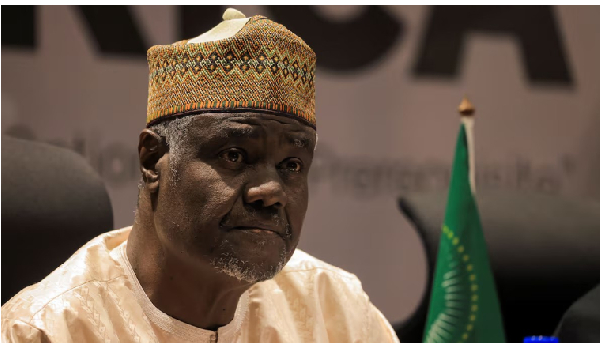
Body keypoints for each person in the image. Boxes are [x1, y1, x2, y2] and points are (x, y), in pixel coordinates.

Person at [1, 9, 399, 343]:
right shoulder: (48, 330)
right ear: (152, 158)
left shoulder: (335, 311)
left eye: (291, 166)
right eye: (234, 155)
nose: (271, 192)